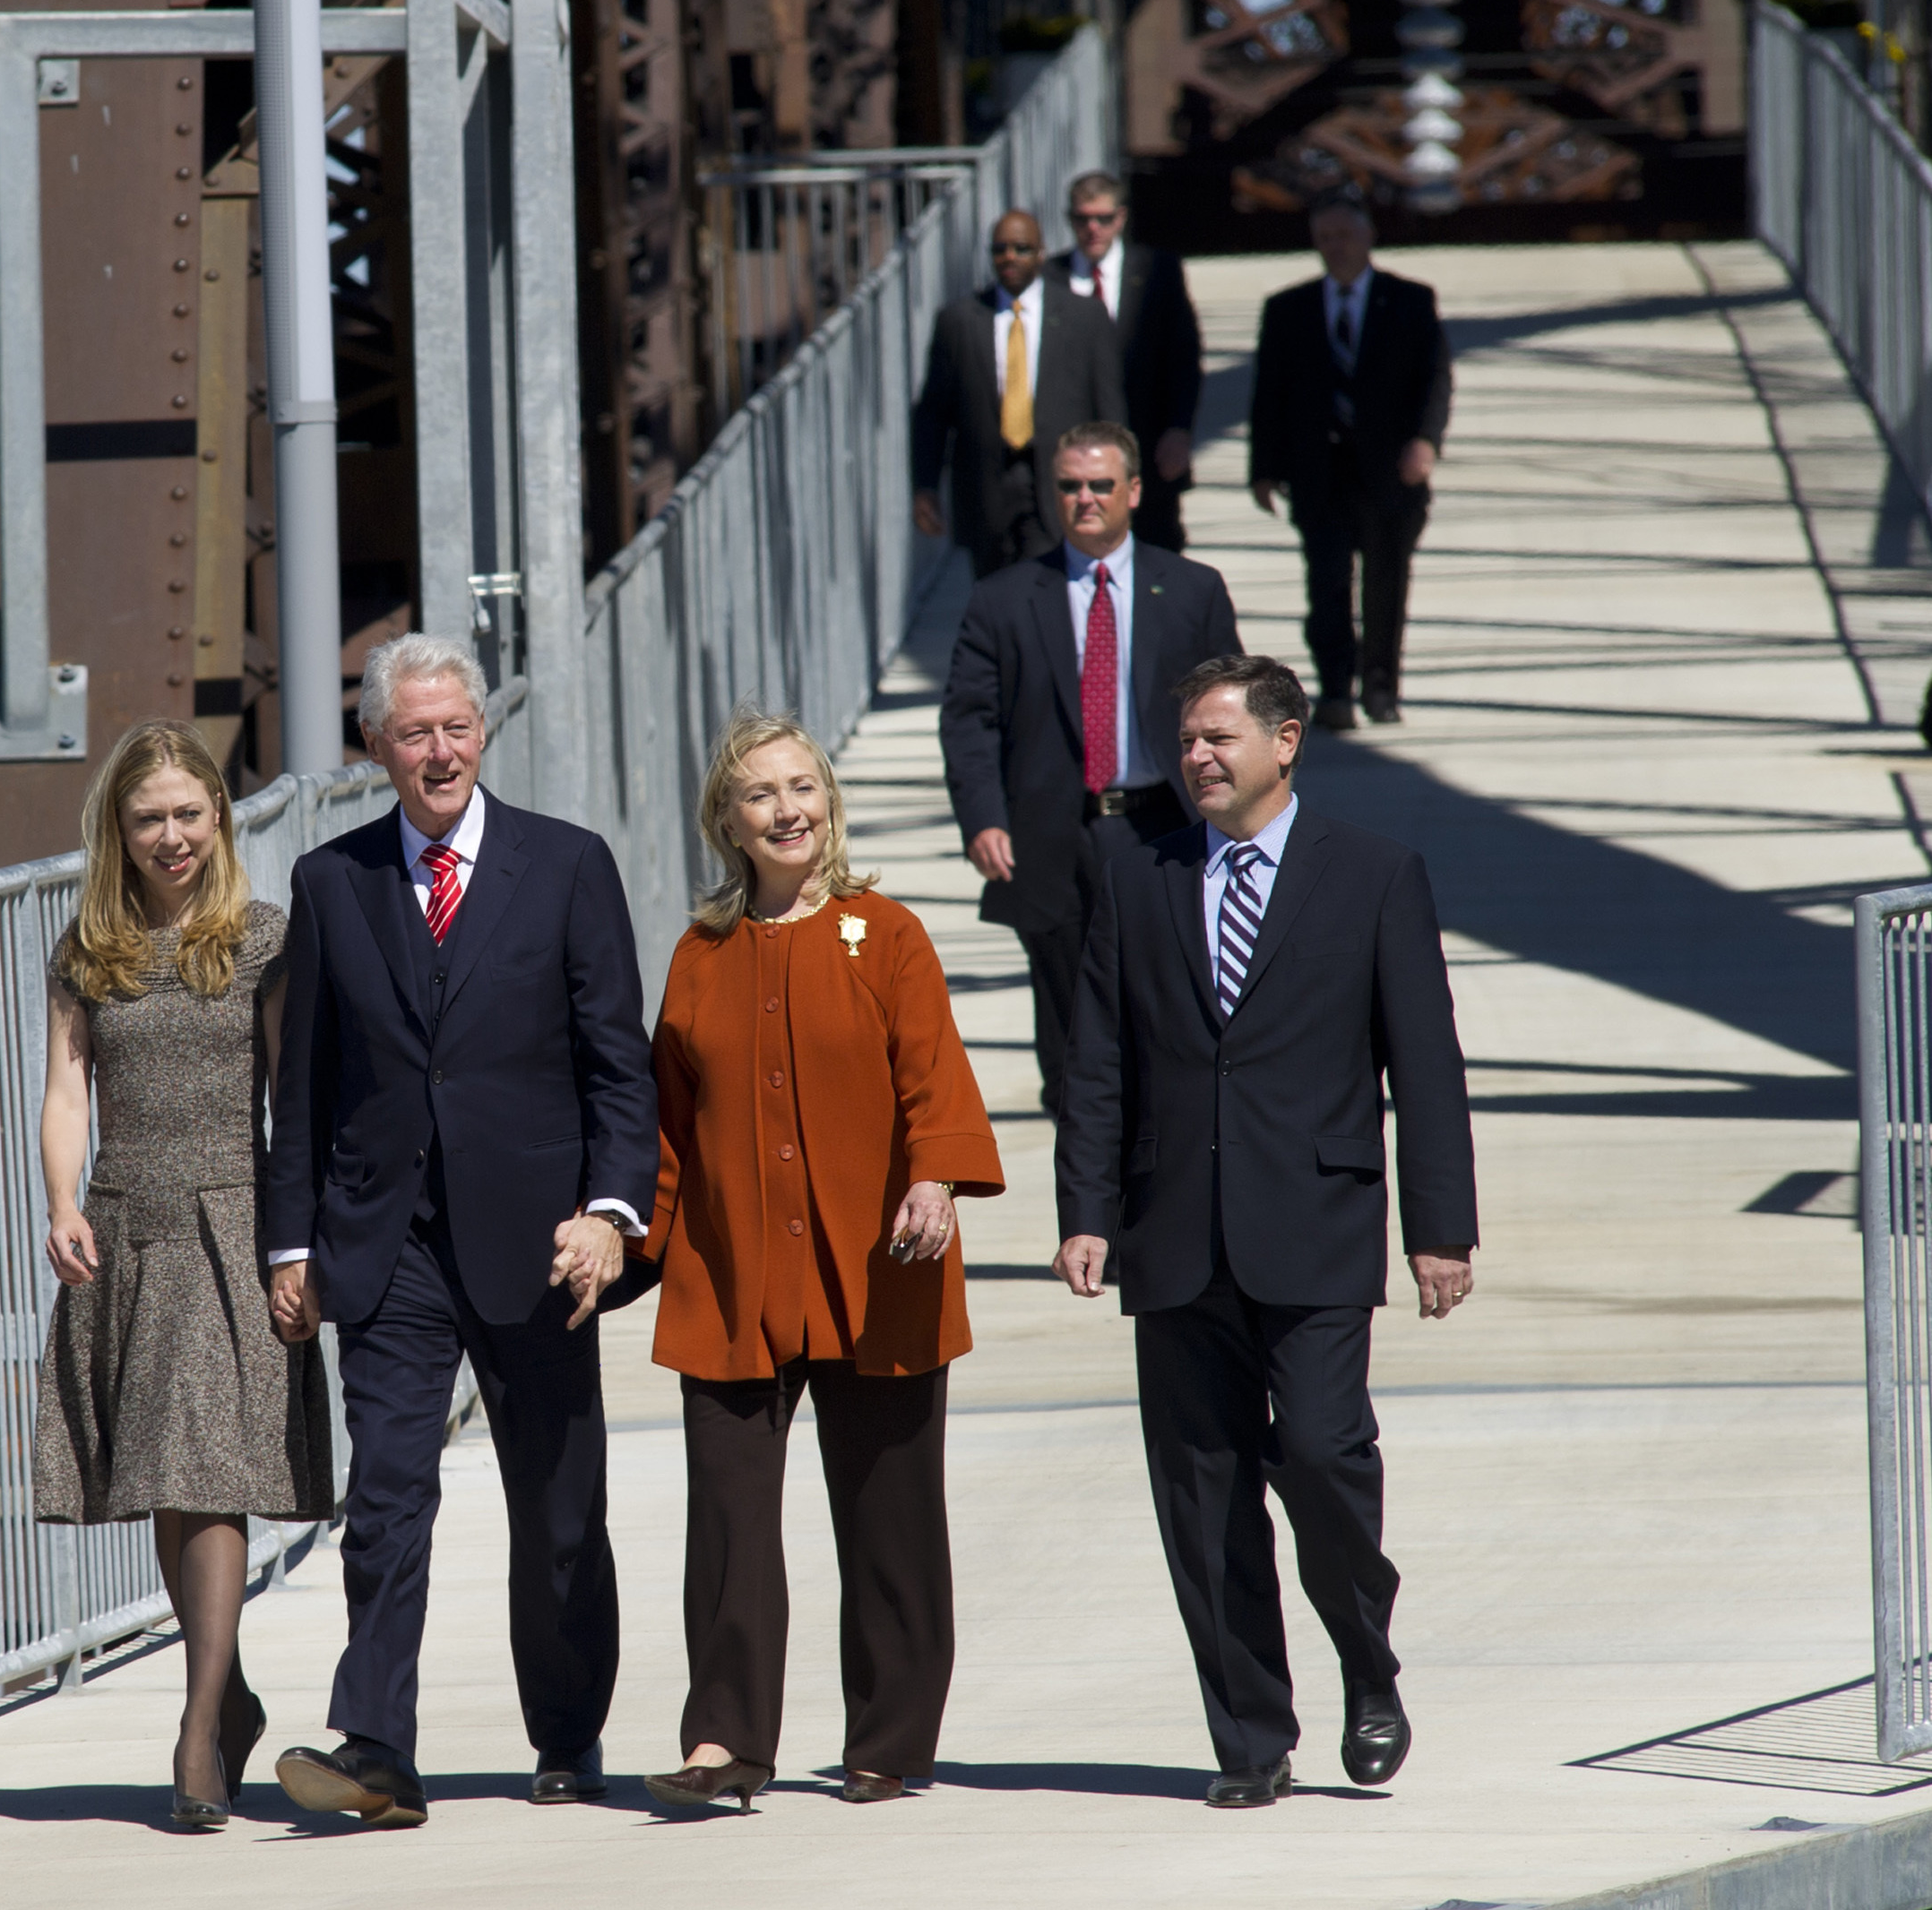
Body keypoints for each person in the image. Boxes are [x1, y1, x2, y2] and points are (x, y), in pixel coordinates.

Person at [1052, 653, 1479, 1809]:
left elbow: (1425, 1065)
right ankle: (1250, 1737)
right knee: (1202, 1495)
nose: (1196, 755)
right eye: (1186, 738)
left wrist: (1439, 1230)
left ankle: (1365, 1658)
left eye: (1218, 736)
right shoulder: (1135, 873)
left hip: (1317, 1224)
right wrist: (1085, 1211)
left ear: (1285, 742)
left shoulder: (1374, 875)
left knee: (1327, 1458)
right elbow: (1097, 1058)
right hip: (1172, 1233)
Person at [264, 632, 660, 1828]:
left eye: (455, 728)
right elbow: (305, 1086)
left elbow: (617, 1067)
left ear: (481, 733)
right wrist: (292, 1246)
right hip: (385, 1242)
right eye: (412, 733)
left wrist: (610, 1212)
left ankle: (567, 1731)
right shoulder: (331, 883)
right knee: (387, 1492)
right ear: (374, 747)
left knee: (558, 1502)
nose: (437, 752)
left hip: (540, 1241)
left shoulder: (567, 865)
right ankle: (376, 1745)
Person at [637, 710, 1003, 1815]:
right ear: (727, 820)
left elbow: (933, 1076)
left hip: (879, 1264)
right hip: (732, 1277)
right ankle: (724, 1741)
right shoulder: (698, 958)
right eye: (760, 793)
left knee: (891, 1517)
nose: (786, 809)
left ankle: (886, 1738)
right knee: (728, 1521)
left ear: (828, 804)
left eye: (802, 787)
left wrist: (936, 1179)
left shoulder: (885, 934)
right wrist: (621, 1239)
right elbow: (667, 1130)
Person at [30, 718, 333, 1829]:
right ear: (117, 828)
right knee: (167, 1467)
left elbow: (295, 1099)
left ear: (220, 818)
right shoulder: (86, 949)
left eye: (189, 814)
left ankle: (198, 1727)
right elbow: (68, 1091)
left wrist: (299, 1247)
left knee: (203, 1461)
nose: (171, 836)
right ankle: (230, 1693)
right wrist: (62, 1203)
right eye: (149, 817)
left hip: (234, 1221)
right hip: (128, 1220)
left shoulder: (262, 938)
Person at [940, 421, 1243, 1119]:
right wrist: (983, 818)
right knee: (1069, 1032)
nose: (1085, 498)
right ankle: (1083, 1175)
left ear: (1133, 491)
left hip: (1166, 827)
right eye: (1070, 486)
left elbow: (1236, 711)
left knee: (1171, 1009)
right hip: (1053, 835)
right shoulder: (1004, 599)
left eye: (1100, 485)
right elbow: (969, 719)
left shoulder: (1191, 590)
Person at [1248, 194, 1453, 729]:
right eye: (1325, 238)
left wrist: (1426, 442)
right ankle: (1336, 687)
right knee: (1327, 585)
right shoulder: (1288, 309)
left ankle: (1381, 688)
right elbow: (1269, 394)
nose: (1335, 248)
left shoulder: (1409, 301)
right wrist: (1264, 469)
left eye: (1344, 236)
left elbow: (1434, 379)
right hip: (1319, 473)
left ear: (1368, 237)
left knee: (1386, 581)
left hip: (1390, 471)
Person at [911, 209, 1127, 579]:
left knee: (1051, 590)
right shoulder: (959, 320)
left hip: (1058, 485)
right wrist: (925, 487)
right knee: (996, 597)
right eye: (1000, 250)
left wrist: (1117, 484)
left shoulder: (1084, 317)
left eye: (1021, 248)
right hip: (987, 492)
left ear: (1041, 253)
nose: (1009, 257)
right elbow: (933, 413)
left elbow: (1109, 408)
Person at [1043, 170, 1204, 551]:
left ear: (1121, 217)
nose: (1093, 229)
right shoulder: (1050, 279)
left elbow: (1183, 357)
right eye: (1082, 219)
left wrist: (1179, 429)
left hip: (1149, 448)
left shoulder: (1156, 271)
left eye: (1103, 218)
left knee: (1158, 555)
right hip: (1076, 454)